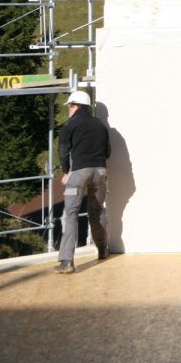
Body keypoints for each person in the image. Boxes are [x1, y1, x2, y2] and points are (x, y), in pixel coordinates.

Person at [55, 90, 111, 274]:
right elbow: (108, 152)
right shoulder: (100, 126)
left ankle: (66, 261)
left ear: (74, 106)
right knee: (96, 210)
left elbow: (63, 151)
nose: (69, 110)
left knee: (70, 214)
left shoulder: (69, 126)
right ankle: (103, 249)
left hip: (78, 174)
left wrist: (66, 172)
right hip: (100, 172)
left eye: (70, 106)